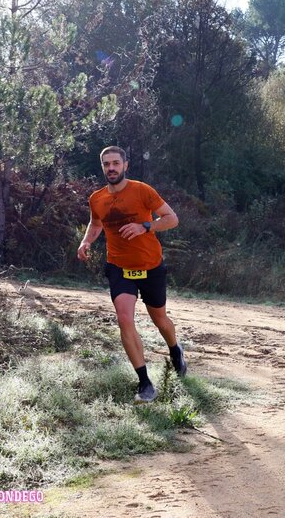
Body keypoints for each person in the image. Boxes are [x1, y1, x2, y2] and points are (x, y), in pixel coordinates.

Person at [77, 146, 186, 404]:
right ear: (102, 167)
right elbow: (96, 223)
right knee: (124, 319)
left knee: (160, 320)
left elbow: (172, 219)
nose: (111, 168)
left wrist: (145, 226)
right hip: (119, 267)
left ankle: (175, 349)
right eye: (106, 164)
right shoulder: (97, 198)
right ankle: (145, 383)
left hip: (150, 265)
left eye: (116, 163)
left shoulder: (142, 190)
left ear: (125, 165)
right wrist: (86, 241)